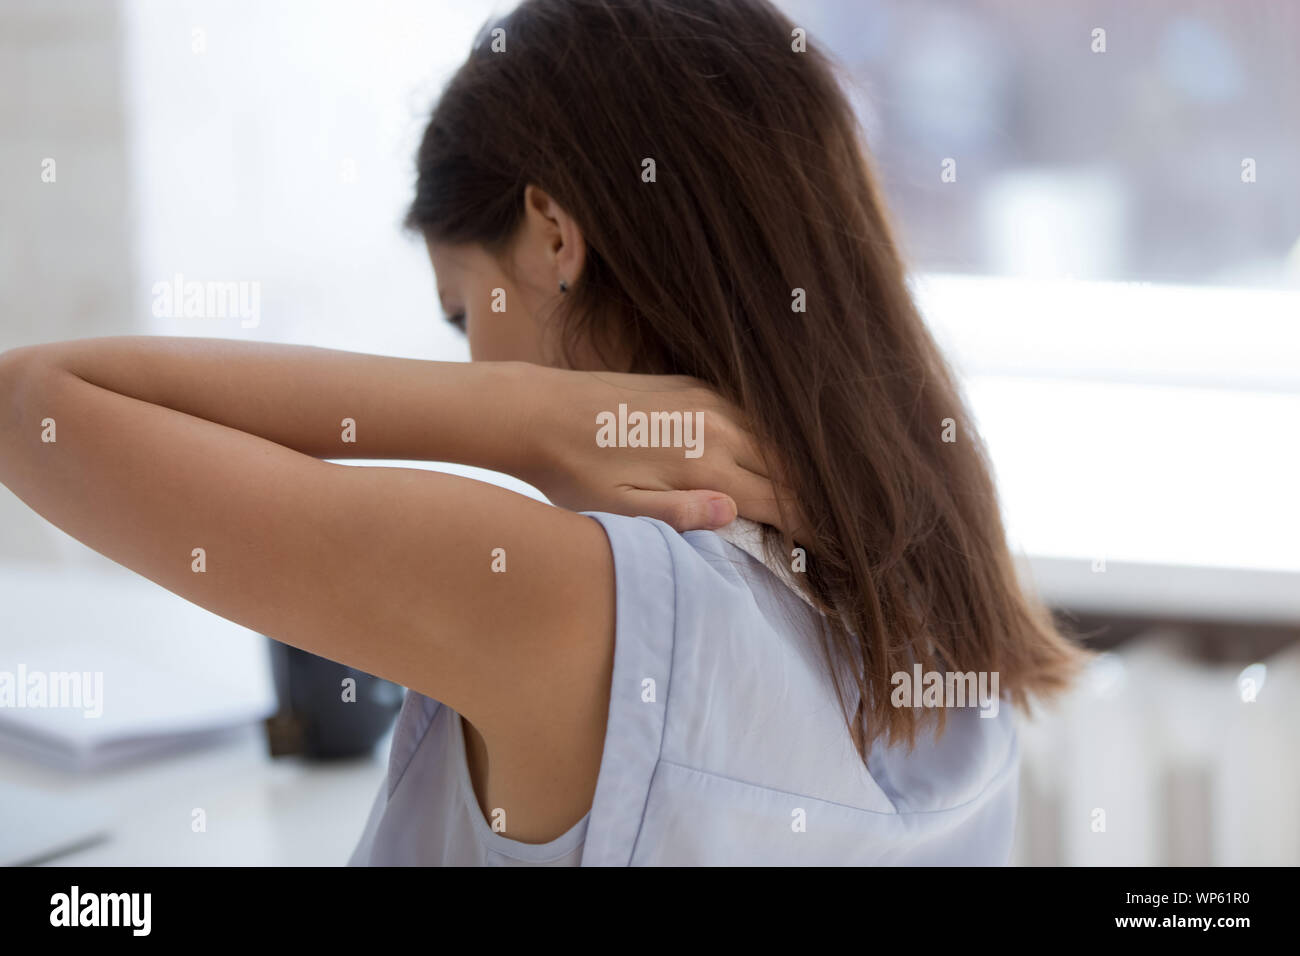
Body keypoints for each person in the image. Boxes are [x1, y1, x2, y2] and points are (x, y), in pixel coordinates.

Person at [0, 0, 1084, 865]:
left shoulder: (567, 604)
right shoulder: (935, 605)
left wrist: (527, 419)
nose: (472, 354)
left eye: (465, 313)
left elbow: (32, 401)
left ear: (553, 234)